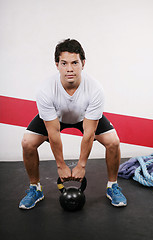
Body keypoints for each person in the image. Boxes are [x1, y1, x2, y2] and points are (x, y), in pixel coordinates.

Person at [19, 39, 127, 209]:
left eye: (75, 63)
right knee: (27, 143)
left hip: (85, 117)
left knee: (113, 142)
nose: (69, 68)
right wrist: (61, 166)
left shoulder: (95, 89)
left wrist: (81, 166)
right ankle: (35, 188)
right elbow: (53, 132)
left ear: (83, 64)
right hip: (56, 118)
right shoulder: (45, 90)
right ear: (57, 65)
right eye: (64, 63)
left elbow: (89, 133)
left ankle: (112, 185)